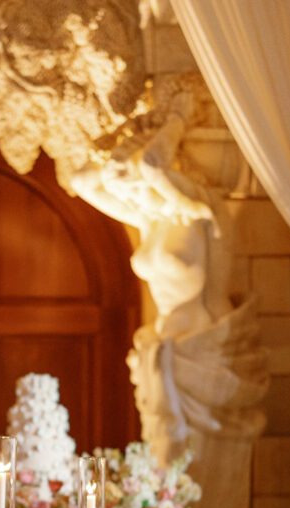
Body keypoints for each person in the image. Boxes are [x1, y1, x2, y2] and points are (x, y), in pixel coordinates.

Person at [70, 93, 232, 340]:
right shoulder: (148, 220)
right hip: (166, 335)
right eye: (127, 193)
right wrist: (116, 156)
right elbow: (81, 182)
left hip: (206, 333)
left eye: (136, 187)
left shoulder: (194, 207)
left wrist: (177, 119)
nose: (133, 197)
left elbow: (152, 164)